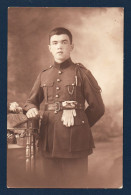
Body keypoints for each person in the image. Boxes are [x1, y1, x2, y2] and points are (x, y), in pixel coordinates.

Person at [23, 27, 105, 188]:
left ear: (71, 47)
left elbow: (98, 108)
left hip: (75, 143)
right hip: (48, 141)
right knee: (50, 185)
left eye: (64, 42)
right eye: (55, 43)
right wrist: (31, 108)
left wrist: (79, 125)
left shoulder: (82, 73)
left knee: (76, 186)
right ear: (50, 48)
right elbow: (30, 101)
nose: (59, 46)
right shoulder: (43, 75)